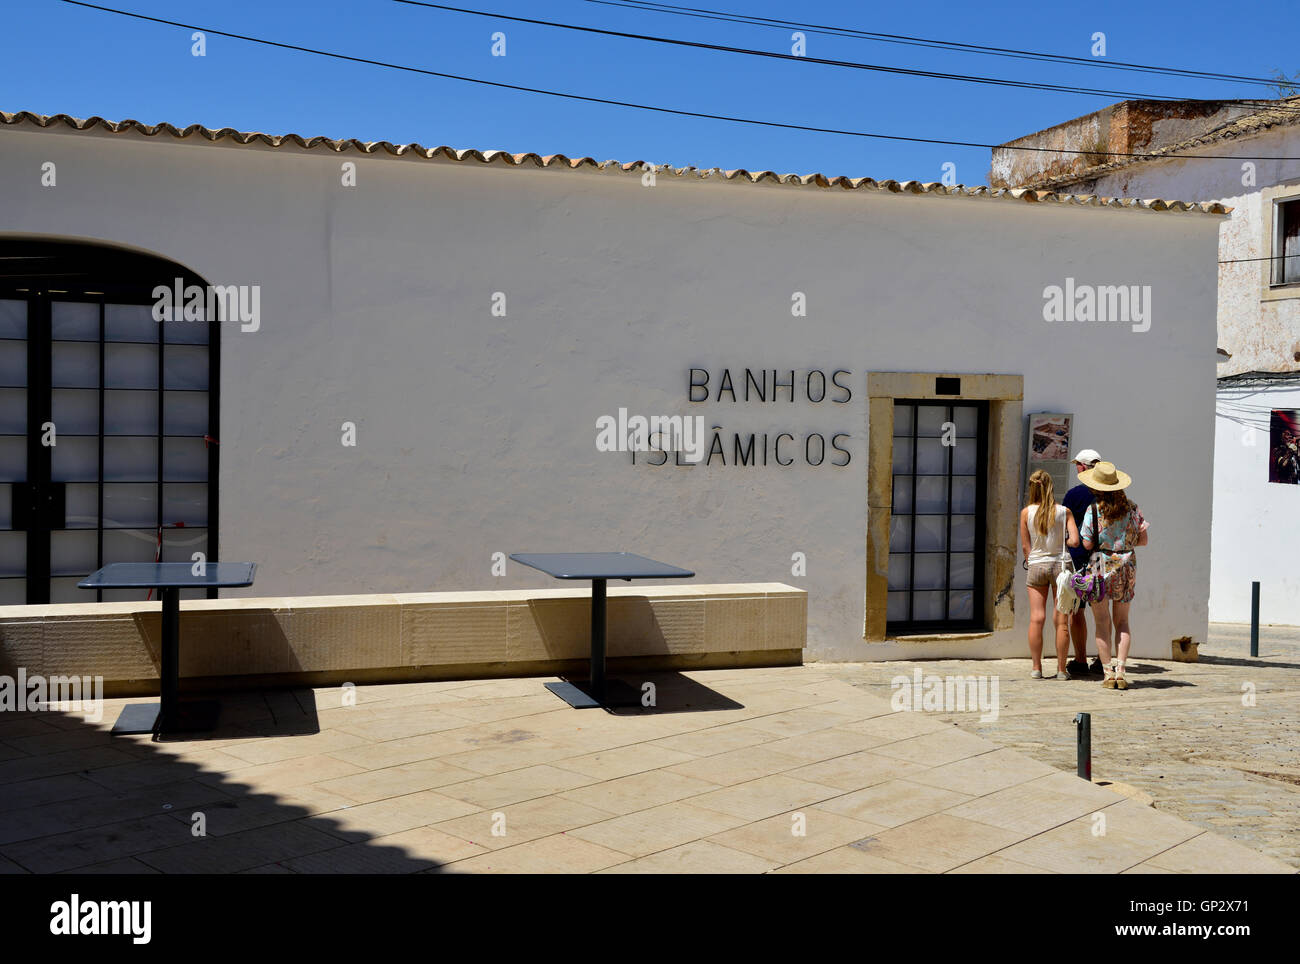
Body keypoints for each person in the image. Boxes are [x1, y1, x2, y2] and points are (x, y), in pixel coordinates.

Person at [1078, 461, 1150, 690]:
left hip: (1101, 565)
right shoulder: (1133, 508)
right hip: (1127, 565)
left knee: (1102, 622)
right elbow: (1144, 540)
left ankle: (1107, 673)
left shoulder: (1093, 510)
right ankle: (1121, 671)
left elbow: (1087, 543)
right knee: (1123, 621)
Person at [1020, 469, 1080, 679]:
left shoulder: (1026, 513)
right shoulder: (1065, 512)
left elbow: (1026, 547)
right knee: (1062, 620)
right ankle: (1061, 670)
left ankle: (1036, 668)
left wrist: (1033, 562)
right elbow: (1075, 541)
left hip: (1037, 566)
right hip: (1061, 566)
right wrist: (1061, 541)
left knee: (1037, 617)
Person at [1062, 449, 1103, 676]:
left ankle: (1080, 660)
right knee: (1104, 613)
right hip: (1106, 559)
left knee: (1077, 611)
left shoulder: (1074, 494)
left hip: (1079, 559)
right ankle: (1102, 658)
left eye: (1078, 464)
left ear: (1084, 467)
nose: (1076, 468)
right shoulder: (1113, 494)